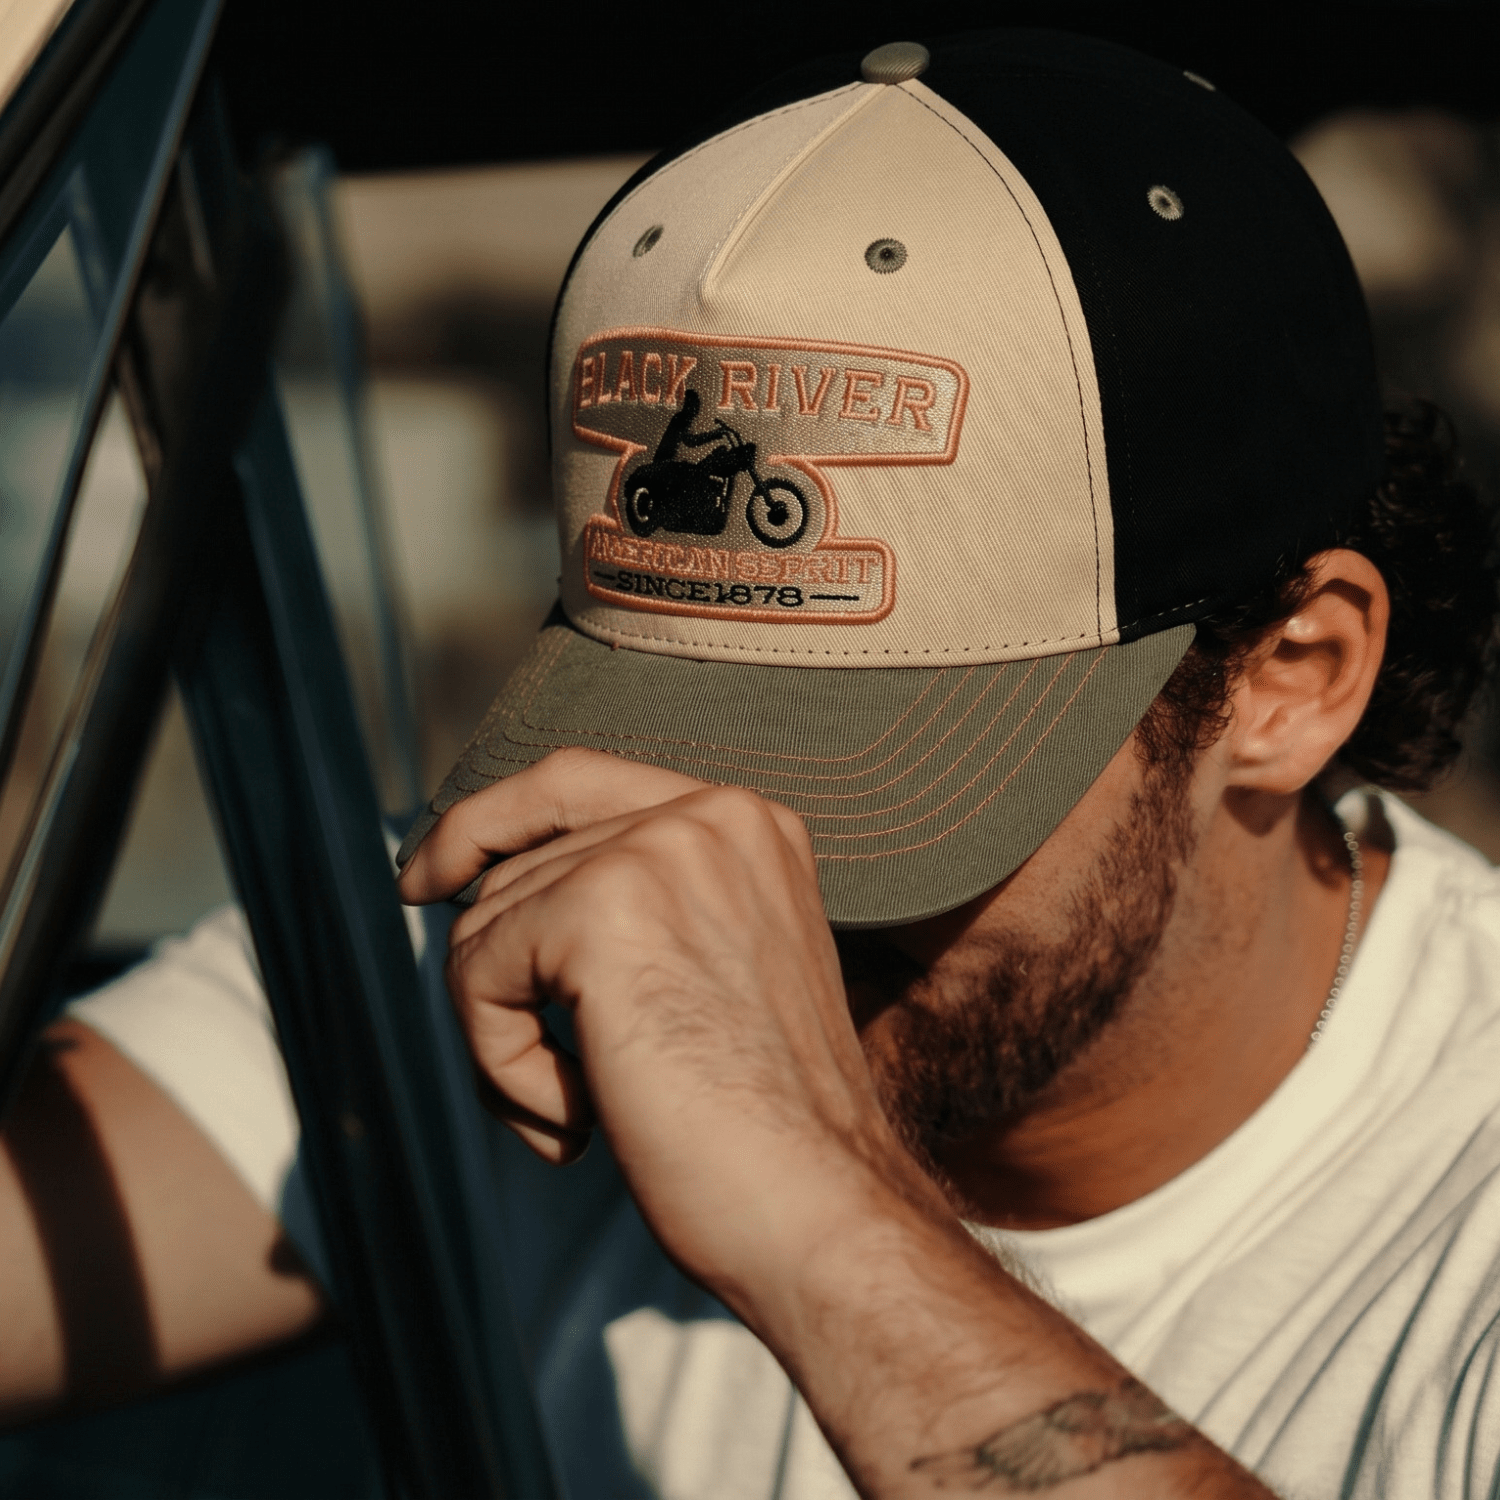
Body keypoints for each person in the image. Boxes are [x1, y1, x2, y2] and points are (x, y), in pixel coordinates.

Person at [389, 28, 1500, 1500]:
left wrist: (821, 1210)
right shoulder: (556, 927)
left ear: (1291, 679)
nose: (728, 872)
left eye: (869, 761)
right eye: (658, 726)